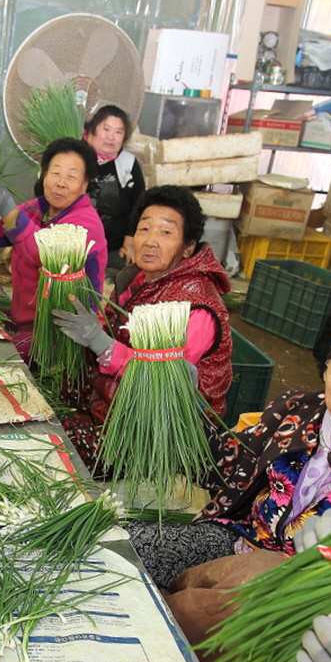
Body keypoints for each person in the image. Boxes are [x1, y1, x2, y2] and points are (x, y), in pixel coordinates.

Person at [133, 290, 331, 647]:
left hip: (300, 585)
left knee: (203, 612)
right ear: (326, 365)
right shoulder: (296, 409)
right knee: (126, 550)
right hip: (239, 539)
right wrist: (184, 402)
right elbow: (224, 466)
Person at [50, 185, 233, 470]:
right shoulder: (137, 278)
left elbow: (159, 383)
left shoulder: (196, 307)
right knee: (45, 400)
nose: (150, 241)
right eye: (144, 229)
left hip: (160, 439)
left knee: (55, 446)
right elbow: (116, 330)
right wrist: (87, 324)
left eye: (166, 232)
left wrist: (99, 342)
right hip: (114, 406)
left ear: (188, 246)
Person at [0, 137, 108, 360]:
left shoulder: (85, 224)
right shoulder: (37, 208)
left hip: (59, 333)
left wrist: (9, 211)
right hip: (26, 319)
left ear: (84, 184)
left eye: (72, 176)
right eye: (56, 173)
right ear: (43, 174)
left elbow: (43, 254)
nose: (61, 182)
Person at [83, 105, 146, 265]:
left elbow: (138, 205)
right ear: (91, 130)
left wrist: (130, 242)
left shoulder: (128, 163)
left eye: (118, 132)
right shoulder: (75, 155)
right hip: (72, 244)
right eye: (106, 129)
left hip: (112, 247)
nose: (111, 137)